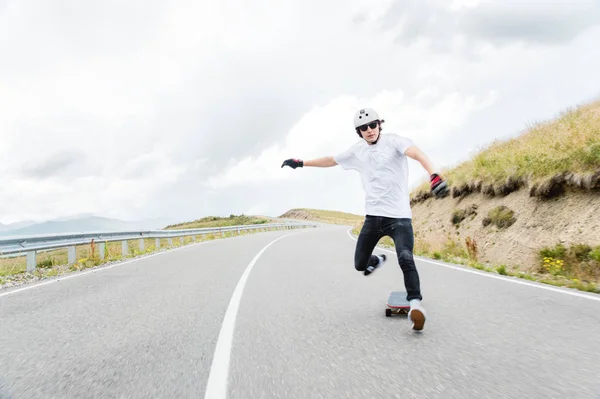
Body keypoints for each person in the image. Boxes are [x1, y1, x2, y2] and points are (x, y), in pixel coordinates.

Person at [281, 107, 448, 331]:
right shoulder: (357, 151)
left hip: (399, 217)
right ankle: (375, 261)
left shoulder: (395, 142)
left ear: (380, 124)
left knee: (405, 257)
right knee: (360, 264)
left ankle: (416, 305)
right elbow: (331, 160)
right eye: (363, 128)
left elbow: (418, 154)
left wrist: (433, 174)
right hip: (373, 218)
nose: (369, 130)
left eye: (373, 125)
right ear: (358, 132)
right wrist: (302, 163)